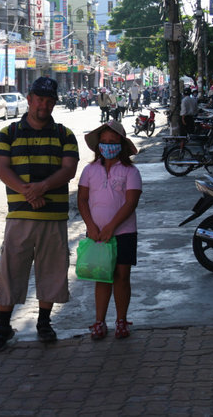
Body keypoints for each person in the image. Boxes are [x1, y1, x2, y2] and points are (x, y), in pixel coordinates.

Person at [0, 76, 79, 353]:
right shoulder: (8, 133)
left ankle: (44, 323)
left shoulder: (65, 135)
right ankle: (2, 328)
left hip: (53, 217)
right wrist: (29, 192)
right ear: (29, 100)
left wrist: (41, 188)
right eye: (39, 99)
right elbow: (2, 169)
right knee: (11, 272)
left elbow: (69, 170)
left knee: (51, 271)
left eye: (49, 101)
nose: (44, 105)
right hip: (19, 216)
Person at [77, 120, 142, 340]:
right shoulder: (89, 170)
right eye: (104, 142)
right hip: (96, 233)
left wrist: (112, 227)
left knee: (122, 277)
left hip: (124, 233)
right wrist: (91, 226)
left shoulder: (131, 171)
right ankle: (99, 321)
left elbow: (131, 202)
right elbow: (82, 200)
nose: (107, 145)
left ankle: (121, 321)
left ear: (121, 144)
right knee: (102, 277)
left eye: (113, 142)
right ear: (98, 146)